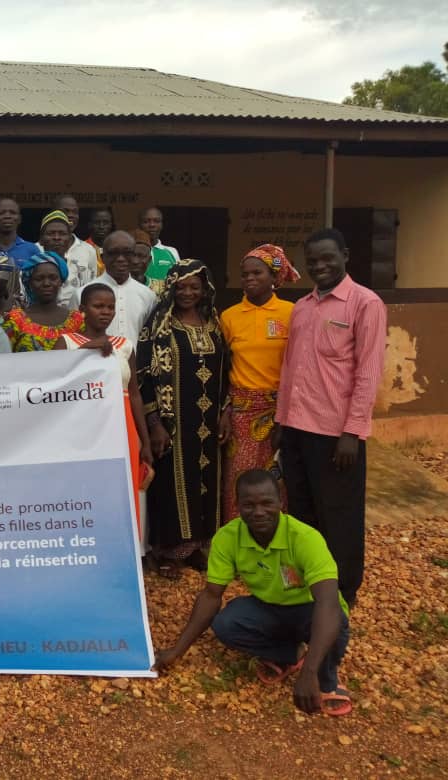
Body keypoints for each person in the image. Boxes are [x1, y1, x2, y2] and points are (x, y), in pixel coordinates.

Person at [154, 469, 353, 718]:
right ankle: (291, 655)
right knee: (227, 623)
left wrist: (309, 673)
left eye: (267, 503)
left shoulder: (305, 538)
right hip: (268, 607)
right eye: (248, 505)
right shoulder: (227, 537)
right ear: (237, 505)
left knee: (335, 621)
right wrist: (177, 650)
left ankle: (327, 679)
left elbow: (328, 604)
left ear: (282, 502)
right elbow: (211, 596)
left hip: (310, 610)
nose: (258, 512)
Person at [275, 228, 386, 607]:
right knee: (302, 510)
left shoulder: (365, 303)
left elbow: (368, 373)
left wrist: (352, 432)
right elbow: (291, 368)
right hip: (295, 428)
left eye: (327, 258)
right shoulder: (303, 307)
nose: (320, 266)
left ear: (345, 255)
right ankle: (310, 581)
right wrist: (281, 422)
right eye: (313, 261)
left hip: (335, 434)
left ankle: (343, 591)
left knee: (339, 513)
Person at [138, 259, 227, 577]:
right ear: (171, 289)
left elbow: (226, 373)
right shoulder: (159, 326)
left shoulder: (213, 323)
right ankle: (168, 551)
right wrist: (154, 423)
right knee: (171, 485)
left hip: (208, 422)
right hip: (173, 424)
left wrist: (226, 411)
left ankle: (197, 548)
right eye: (181, 287)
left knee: (204, 483)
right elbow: (143, 376)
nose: (188, 292)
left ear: (205, 290)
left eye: (195, 286)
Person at [54, 282, 153, 527]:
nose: (105, 311)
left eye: (110, 307)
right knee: (83, 487)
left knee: (122, 488)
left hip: (122, 428)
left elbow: (135, 395)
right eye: (99, 306)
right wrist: (87, 349)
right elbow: (55, 384)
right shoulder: (66, 343)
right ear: (83, 309)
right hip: (81, 429)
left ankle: (124, 547)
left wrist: (145, 441)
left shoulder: (125, 346)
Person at [218, 243, 300, 524]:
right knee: (237, 481)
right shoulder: (229, 317)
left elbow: (298, 366)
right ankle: (237, 547)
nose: (250, 279)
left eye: (257, 273)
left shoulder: (291, 314)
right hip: (241, 413)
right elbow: (223, 368)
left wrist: (284, 418)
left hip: (280, 411)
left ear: (274, 277)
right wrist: (226, 410)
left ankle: (276, 548)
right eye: (245, 274)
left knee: (276, 482)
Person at [76, 230, 157, 351]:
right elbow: (74, 336)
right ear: (103, 257)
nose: (120, 259)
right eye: (113, 253)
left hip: (133, 367)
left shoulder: (148, 295)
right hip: (93, 365)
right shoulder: (81, 293)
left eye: (127, 253)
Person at [2, 252, 84, 352]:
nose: (46, 283)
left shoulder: (77, 320)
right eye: (39, 279)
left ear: (61, 281)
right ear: (29, 283)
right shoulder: (15, 320)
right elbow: (3, 358)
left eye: (53, 278)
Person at [54, 195, 97, 294]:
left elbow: (92, 287)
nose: (71, 215)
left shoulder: (89, 250)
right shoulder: (38, 249)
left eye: (75, 212)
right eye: (65, 211)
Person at [37, 209, 78, 307]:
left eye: (62, 234)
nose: (56, 238)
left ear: (69, 240)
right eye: (51, 233)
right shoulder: (31, 269)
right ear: (41, 240)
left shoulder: (79, 269)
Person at [140, 206, 180, 294]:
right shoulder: (134, 252)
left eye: (156, 221)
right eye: (146, 221)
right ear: (140, 225)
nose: (152, 225)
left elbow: (177, 282)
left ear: (162, 224)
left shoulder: (172, 252)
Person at [0, 197, 37, 266]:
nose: (7, 216)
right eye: (1, 213)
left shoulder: (32, 249)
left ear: (19, 219)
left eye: (13, 213)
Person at [86, 206, 115, 276]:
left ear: (111, 225)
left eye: (105, 223)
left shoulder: (117, 249)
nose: (101, 226)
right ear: (90, 225)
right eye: (97, 222)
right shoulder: (82, 248)